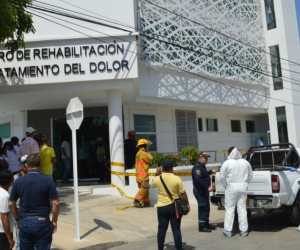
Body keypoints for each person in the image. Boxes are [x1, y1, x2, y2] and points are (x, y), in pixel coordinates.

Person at [9, 154, 60, 250]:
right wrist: (54, 221)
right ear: (40, 164)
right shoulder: (48, 181)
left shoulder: (18, 182)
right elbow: (56, 203)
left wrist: (17, 219)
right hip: (42, 221)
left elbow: (11, 203)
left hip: (24, 221)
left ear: (27, 165)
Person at [151, 159, 190, 250]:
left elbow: (151, 184)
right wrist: (187, 204)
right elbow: (183, 193)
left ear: (162, 168)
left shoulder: (158, 178)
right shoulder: (176, 179)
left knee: (161, 229)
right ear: (172, 168)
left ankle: (160, 248)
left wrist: (157, 174)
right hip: (174, 207)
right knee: (176, 229)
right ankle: (179, 248)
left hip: (161, 207)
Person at [220, 147, 253, 238]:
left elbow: (222, 176)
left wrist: (226, 185)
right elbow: (250, 175)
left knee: (230, 209)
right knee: (242, 209)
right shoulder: (245, 162)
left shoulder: (227, 163)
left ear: (229, 153)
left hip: (231, 187)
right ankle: (243, 231)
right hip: (243, 187)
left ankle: (228, 231)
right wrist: (245, 183)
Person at [192, 151, 218, 232]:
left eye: (207, 158)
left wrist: (210, 171)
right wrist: (207, 187)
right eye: (205, 158)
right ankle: (202, 226)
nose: (206, 159)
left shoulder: (202, 166)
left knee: (206, 207)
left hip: (203, 191)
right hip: (200, 191)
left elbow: (204, 174)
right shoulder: (197, 167)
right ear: (200, 158)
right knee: (203, 208)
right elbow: (198, 179)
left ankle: (206, 224)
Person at [133, 139, 153, 208]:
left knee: (145, 189)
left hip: (139, 175)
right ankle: (137, 199)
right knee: (145, 188)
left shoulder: (138, 153)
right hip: (143, 175)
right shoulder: (143, 153)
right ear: (144, 146)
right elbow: (150, 159)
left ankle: (146, 202)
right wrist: (148, 152)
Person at [0, 170, 15, 250]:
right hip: (3, 232)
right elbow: (4, 218)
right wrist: (9, 238)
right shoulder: (5, 195)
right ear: (10, 181)